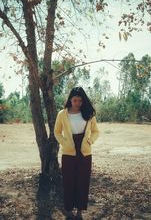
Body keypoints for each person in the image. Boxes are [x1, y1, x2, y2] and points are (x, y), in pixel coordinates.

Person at [54, 86, 100, 219]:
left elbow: (96, 131)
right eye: (75, 100)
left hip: (85, 152)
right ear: (70, 100)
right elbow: (57, 132)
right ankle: (69, 210)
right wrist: (64, 142)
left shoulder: (88, 114)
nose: (78, 103)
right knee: (68, 180)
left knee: (83, 181)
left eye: (80, 101)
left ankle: (80, 210)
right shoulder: (62, 114)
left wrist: (90, 141)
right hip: (68, 152)